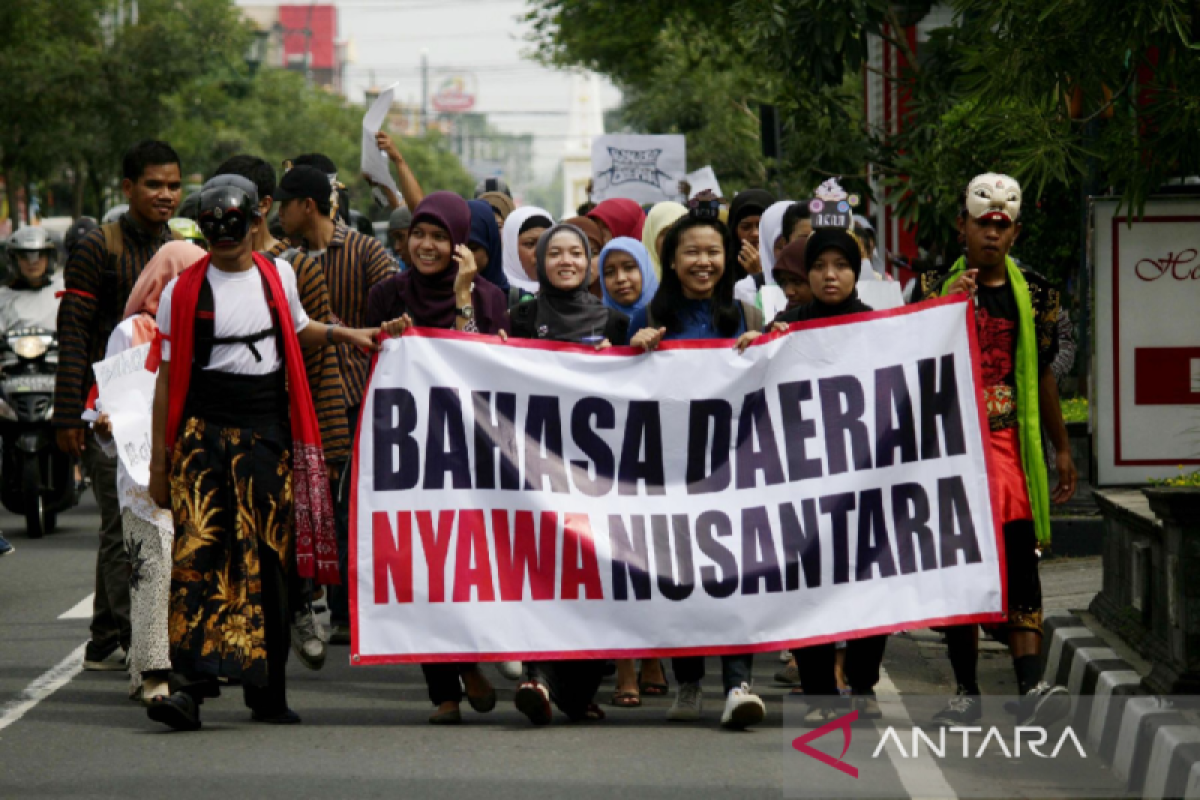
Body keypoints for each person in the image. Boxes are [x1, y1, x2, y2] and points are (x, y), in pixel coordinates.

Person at [144, 176, 397, 732]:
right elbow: (166, 377)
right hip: (201, 436)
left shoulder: (278, 275)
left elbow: (298, 329)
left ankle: (267, 693)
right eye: (215, 232)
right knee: (199, 558)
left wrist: (349, 335)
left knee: (270, 564)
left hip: (267, 436)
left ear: (255, 222)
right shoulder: (181, 291)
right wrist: (161, 464)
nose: (226, 240)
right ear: (205, 231)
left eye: (235, 229)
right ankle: (191, 688)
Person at [919, 173, 1077, 728]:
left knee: (1019, 559)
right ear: (961, 226)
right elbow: (909, 364)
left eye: (1001, 226)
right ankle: (965, 689)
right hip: (954, 448)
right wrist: (943, 312)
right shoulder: (931, 285)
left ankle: (1031, 685)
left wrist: (1061, 448)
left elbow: (1045, 379)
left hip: (1011, 444)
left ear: (1014, 233)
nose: (991, 234)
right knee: (961, 566)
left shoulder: (1036, 293)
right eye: (982, 224)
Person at [365, 191, 508, 724]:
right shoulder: (387, 294)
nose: (426, 246)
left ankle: (468, 661)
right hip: (406, 453)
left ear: (459, 245)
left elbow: (478, 364)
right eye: (419, 235)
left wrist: (464, 293)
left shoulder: (490, 296)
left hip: (469, 456)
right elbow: (372, 360)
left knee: (460, 566)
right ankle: (446, 689)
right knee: (417, 566)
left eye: (438, 237)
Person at [737, 228, 888, 721]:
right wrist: (756, 348)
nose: (829, 275)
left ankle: (862, 685)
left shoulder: (879, 328)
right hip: (804, 485)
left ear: (854, 271)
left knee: (869, 585)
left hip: (863, 483)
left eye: (840, 265)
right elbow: (757, 379)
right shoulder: (790, 325)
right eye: (819, 266)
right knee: (808, 588)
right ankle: (822, 692)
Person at [628, 197, 766, 731]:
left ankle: (738, 683)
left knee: (735, 576)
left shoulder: (747, 316)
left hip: (737, 473)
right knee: (679, 577)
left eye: (714, 251)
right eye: (692, 252)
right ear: (672, 258)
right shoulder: (649, 318)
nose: (703, 262)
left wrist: (766, 346)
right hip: (671, 473)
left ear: (728, 258)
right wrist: (633, 348)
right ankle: (688, 681)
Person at [214, 154, 352, 670]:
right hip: (220, 434)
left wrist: (329, 445)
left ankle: (297, 606)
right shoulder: (198, 271)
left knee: (283, 535)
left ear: (263, 207)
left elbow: (320, 364)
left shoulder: (296, 271)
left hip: (285, 431)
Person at [55, 139, 183, 673]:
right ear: (128, 188)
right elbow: (74, 334)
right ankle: (130, 638)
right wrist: (68, 415)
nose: (165, 195)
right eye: (154, 185)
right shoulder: (98, 248)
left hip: (158, 406)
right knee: (120, 525)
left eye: (174, 185)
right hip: (106, 409)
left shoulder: (179, 247)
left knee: (139, 521)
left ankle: (105, 638)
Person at [505, 223, 626, 725]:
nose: (566, 261)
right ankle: (538, 677)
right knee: (543, 578)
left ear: (590, 261)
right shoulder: (523, 316)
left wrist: (626, 356)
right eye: (555, 252)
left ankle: (576, 690)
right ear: (539, 263)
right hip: (538, 478)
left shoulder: (615, 321)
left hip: (601, 480)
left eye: (576, 252)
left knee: (598, 582)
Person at [276, 164, 396, 644]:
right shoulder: (280, 260)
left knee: (346, 507)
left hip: (354, 397)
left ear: (307, 206)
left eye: (284, 205)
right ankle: (305, 602)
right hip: (298, 397)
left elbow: (393, 304)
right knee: (305, 505)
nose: (278, 214)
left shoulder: (366, 251)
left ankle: (347, 611)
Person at [92, 240, 206, 704]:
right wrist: (105, 425)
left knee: (186, 570)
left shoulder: (203, 327)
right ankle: (153, 674)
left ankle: (172, 666)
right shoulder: (132, 330)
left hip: (192, 470)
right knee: (151, 569)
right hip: (141, 475)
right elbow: (111, 402)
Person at [0, 226, 65, 332]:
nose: (32, 262)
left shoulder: (62, 291)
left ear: (49, 258)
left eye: (39, 255)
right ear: (14, 260)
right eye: (24, 256)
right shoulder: (3, 298)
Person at [599, 237, 658, 320]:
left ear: (645, 270)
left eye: (629, 267)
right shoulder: (596, 323)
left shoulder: (672, 314)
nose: (620, 279)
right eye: (609, 272)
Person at [500, 206, 553, 298]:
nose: (539, 252)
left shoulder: (568, 293)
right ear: (511, 249)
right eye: (530, 244)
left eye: (546, 243)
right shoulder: (494, 296)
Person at [726, 188, 774, 281]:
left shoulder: (787, 264)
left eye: (761, 226)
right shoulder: (722, 267)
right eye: (746, 227)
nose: (755, 234)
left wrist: (759, 275)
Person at [467, 199, 509, 293]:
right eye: (456, 247)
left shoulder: (520, 301)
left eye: (472, 248)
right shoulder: (436, 298)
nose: (464, 255)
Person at [640, 201, 687, 280]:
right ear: (652, 237)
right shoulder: (637, 282)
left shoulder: (701, 279)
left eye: (679, 232)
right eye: (665, 233)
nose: (672, 239)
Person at [561, 215, 604, 298]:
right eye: (576, 254)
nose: (585, 263)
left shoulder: (615, 303)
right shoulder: (535, 308)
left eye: (593, 254)